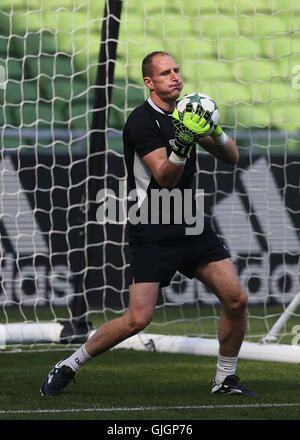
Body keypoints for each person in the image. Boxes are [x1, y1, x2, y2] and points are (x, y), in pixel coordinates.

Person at [40, 51, 259, 397]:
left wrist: (214, 131)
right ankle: (69, 364)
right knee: (137, 320)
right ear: (149, 82)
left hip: (191, 223)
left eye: (176, 70)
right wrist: (186, 140)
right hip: (152, 226)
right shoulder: (141, 122)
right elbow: (165, 177)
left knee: (236, 298)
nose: (175, 76)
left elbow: (232, 158)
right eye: (165, 73)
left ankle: (224, 380)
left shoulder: (187, 111)